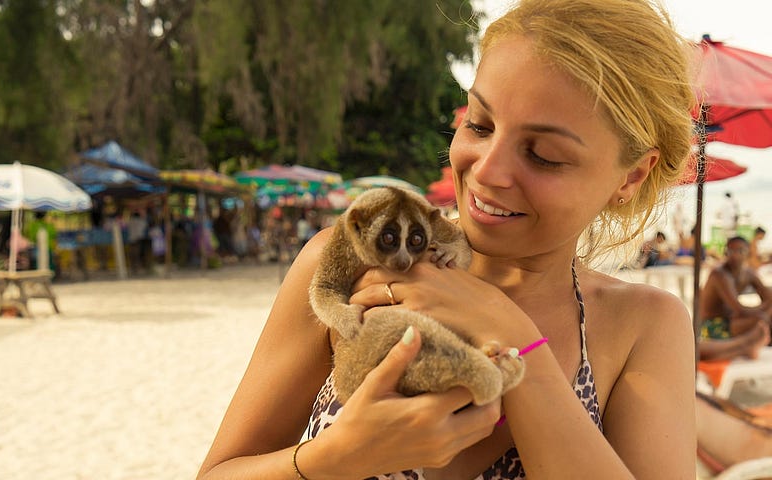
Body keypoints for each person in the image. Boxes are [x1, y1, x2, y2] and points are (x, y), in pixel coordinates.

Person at [197, 1, 696, 478]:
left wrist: (519, 342)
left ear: (630, 176)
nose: (487, 170)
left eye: (542, 154)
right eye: (478, 125)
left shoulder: (641, 326)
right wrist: (330, 459)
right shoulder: (350, 264)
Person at [699, 236, 772, 362]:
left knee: (763, 319)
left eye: (740, 251)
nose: (735, 255)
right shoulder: (720, 274)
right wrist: (764, 311)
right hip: (711, 325)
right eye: (731, 251)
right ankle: (747, 346)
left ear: (748, 252)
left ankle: (751, 345)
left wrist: (767, 307)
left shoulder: (748, 273)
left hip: (731, 320)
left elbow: (767, 296)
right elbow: (738, 309)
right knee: (760, 321)